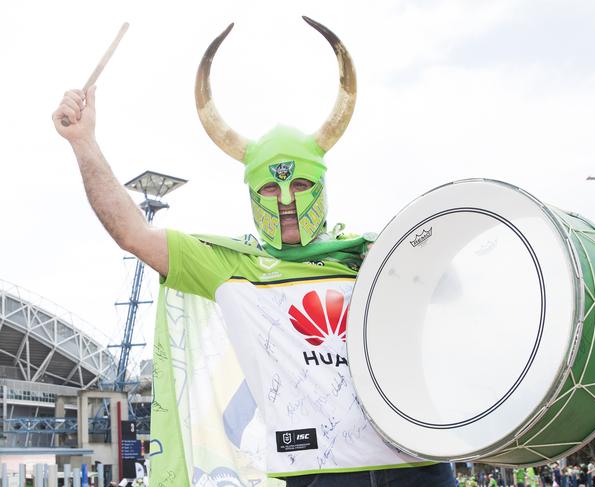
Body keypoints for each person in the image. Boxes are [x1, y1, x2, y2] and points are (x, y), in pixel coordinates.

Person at [53, 17, 455, 487]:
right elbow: (132, 233)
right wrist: (83, 143)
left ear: (322, 187)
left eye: (301, 183)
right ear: (251, 194)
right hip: (317, 475)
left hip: (419, 467)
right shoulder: (233, 264)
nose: (286, 202)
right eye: (270, 187)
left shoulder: (375, 254)